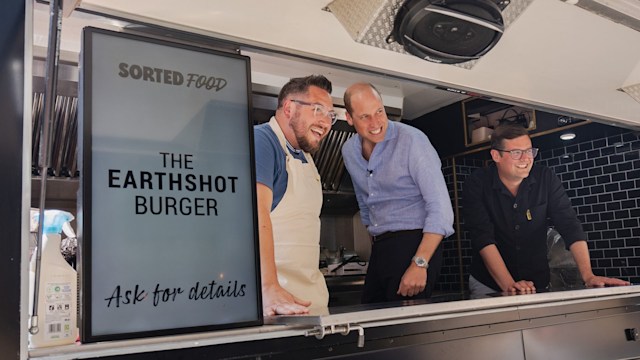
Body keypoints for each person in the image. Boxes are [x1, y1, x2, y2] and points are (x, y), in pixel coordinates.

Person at [463, 124, 629, 298]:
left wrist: (588, 276)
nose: (526, 159)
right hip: (488, 283)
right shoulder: (477, 184)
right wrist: (510, 286)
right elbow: (483, 237)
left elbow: (569, 225)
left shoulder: (545, 177)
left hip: (536, 281)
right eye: (516, 153)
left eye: (529, 151)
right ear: (496, 155)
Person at [341, 83, 454, 304]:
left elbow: (441, 209)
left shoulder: (413, 140)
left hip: (416, 244)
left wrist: (419, 263)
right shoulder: (349, 150)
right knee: (372, 321)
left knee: (405, 331)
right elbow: (365, 201)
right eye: (365, 117)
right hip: (381, 248)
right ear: (349, 118)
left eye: (379, 112)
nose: (375, 123)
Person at [254, 75, 336, 316]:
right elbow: (254, 213)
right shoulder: (263, 141)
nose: (326, 122)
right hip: (278, 306)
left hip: (311, 301)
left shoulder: (305, 157)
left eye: (330, 115)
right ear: (289, 108)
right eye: (318, 109)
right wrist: (268, 287)